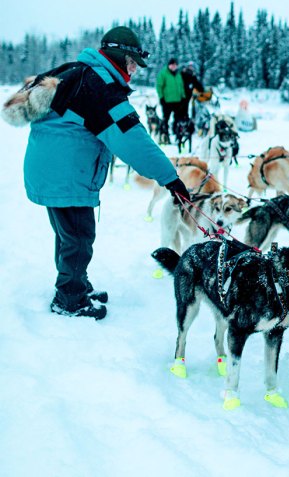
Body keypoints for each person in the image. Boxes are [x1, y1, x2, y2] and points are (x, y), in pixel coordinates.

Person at [2, 26, 191, 320]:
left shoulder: (76, 72)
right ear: (118, 56)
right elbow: (133, 141)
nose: (132, 71)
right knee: (78, 237)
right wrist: (171, 178)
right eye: (130, 63)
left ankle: (75, 284)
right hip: (66, 174)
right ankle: (70, 299)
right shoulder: (100, 86)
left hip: (53, 170)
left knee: (70, 236)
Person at [156, 57, 187, 133]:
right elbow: (159, 86)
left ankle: (175, 131)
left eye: (175, 65)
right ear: (169, 65)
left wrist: (183, 97)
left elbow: (181, 86)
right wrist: (161, 97)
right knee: (166, 118)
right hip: (167, 101)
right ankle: (165, 133)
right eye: (172, 65)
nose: (174, 66)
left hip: (178, 101)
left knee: (177, 118)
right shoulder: (163, 73)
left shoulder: (178, 74)